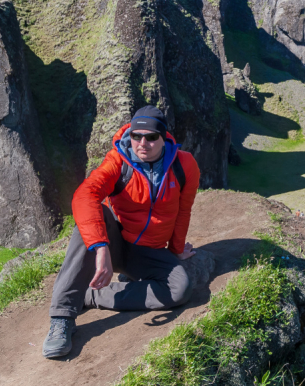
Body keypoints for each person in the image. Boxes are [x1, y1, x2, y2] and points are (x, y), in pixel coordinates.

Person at [42, 106, 200, 359]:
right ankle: (62, 317)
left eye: (151, 137)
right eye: (137, 136)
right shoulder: (118, 161)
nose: (142, 143)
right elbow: (85, 195)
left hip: (149, 251)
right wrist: (101, 248)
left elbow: (184, 210)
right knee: (93, 216)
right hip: (117, 243)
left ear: (164, 137)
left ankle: (91, 296)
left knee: (180, 289)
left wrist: (177, 250)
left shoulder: (184, 165)